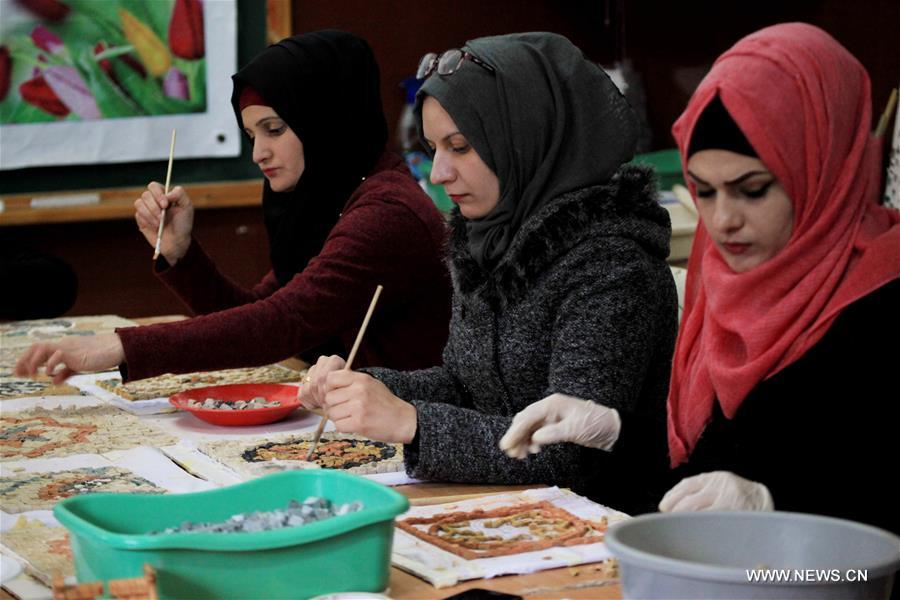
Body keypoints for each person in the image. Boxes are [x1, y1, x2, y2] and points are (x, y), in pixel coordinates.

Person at [502, 24, 900, 532]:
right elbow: (706, 470)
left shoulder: (883, 299)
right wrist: (615, 431)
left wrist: (778, 505)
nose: (723, 220)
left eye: (752, 190)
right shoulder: (730, 279)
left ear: (823, 172)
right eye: (704, 192)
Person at [303, 32, 677, 514]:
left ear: (523, 137)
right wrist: (364, 388)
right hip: (508, 508)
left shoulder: (613, 266)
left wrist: (412, 422)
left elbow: (568, 455)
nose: (438, 173)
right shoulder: (488, 239)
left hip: (598, 526)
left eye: (460, 147)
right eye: (433, 148)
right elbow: (467, 386)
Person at [15, 31, 451, 383]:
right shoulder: (330, 197)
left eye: (274, 130)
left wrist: (124, 345)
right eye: (251, 136)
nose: (259, 153)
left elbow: (282, 323)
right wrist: (182, 255)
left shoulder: (386, 213)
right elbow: (253, 311)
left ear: (325, 119)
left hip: (412, 433)